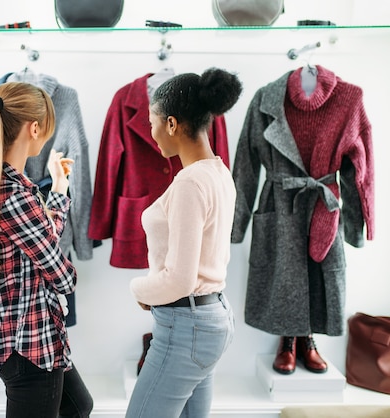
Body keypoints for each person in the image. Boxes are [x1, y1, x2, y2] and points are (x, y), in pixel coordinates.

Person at [0, 81, 93, 418]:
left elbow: (40, 239)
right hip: (28, 346)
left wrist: (59, 188)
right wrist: (62, 264)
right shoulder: (17, 195)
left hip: (22, 338)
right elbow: (63, 278)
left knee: (78, 406)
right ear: (34, 129)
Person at [126, 68, 243, 418]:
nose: (151, 132)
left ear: (172, 124)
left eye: (153, 123)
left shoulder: (190, 183)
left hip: (186, 327)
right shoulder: (219, 173)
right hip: (210, 317)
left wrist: (138, 288)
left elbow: (179, 279)